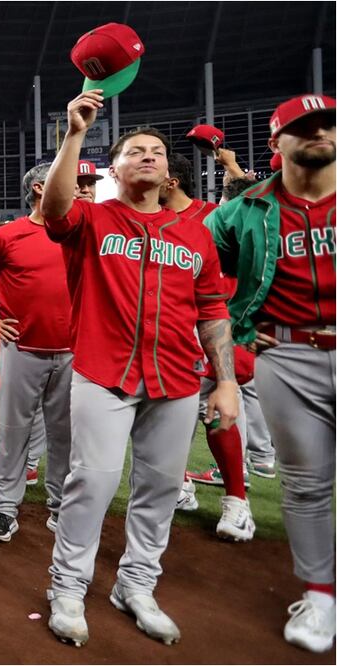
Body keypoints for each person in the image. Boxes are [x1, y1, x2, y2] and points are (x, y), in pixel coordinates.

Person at [40, 90, 239, 648]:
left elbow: (212, 310)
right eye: (135, 151)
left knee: (160, 488)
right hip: (103, 372)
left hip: (176, 379)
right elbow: (54, 209)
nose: (148, 156)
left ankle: (137, 585)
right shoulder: (92, 219)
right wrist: (74, 133)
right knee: (93, 482)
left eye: (157, 151)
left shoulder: (196, 235)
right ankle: (68, 586)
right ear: (114, 170)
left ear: (169, 172)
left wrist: (225, 381)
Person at [205, 93, 336, 653]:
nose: (320, 133)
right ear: (276, 142)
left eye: (328, 124)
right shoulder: (242, 210)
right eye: (305, 127)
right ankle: (321, 595)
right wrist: (239, 327)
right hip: (287, 354)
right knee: (306, 483)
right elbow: (201, 275)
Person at [160, 152, 255, 542]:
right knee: (164, 417)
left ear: (171, 181)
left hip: (215, 331)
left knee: (219, 415)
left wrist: (252, 321)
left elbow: (255, 265)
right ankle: (180, 485)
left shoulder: (214, 216)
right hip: (171, 334)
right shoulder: (149, 220)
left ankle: (237, 501)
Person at [0, 163, 73, 542]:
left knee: (66, 436)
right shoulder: (5, 236)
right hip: (20, 348)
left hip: (73, 351)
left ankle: (61, 507)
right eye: (72, 182)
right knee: (11, 432)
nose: (78, 189)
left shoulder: (84, 234)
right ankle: (4, 507)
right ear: (39, 188)